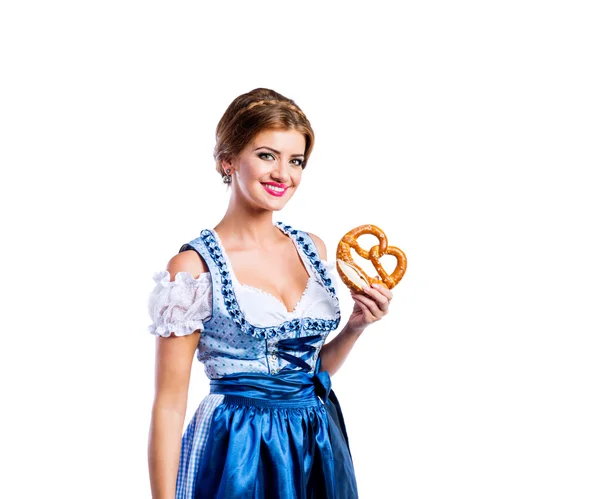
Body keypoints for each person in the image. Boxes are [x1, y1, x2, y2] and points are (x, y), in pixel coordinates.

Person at [147, 87, 394, 498]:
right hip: (238, 449)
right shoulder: (193, 268)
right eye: (267, 155)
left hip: (317, 442)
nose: (284, 174)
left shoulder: (312, 248)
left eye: (295, 160)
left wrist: (354, 327)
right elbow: (169, 404)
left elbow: (308, 374)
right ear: (228, 160)